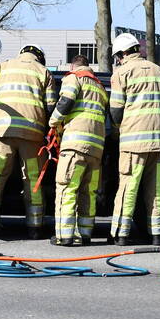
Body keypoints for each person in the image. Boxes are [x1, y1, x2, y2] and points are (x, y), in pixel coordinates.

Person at [0, 44, 56, 237]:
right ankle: (35, 226)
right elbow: (51, 107)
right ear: (39, 58)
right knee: (33, 180)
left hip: (2, 132)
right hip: (32, 135)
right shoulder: (44, 73)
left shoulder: (2, 67)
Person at [108, 32, 160, 246]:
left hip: (134, 142)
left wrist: (118, 129)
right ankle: (158, 235)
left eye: (118, 56)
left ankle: (121, 235)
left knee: (128, 187)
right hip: (159, 142)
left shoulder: (122, 73)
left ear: (123, 53)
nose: (118, 60)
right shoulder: (158, 70)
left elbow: (115, 112)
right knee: (156, 189)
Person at [48, 54, 108, 246]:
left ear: (73, 66)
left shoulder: (73, 78)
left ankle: (64, 236)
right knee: (88, 192)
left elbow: (66, 102)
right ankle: (85, 233)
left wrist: (53, 121)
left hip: (75, 145)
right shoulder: (99, 86)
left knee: (67, 188)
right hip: (96, 147)